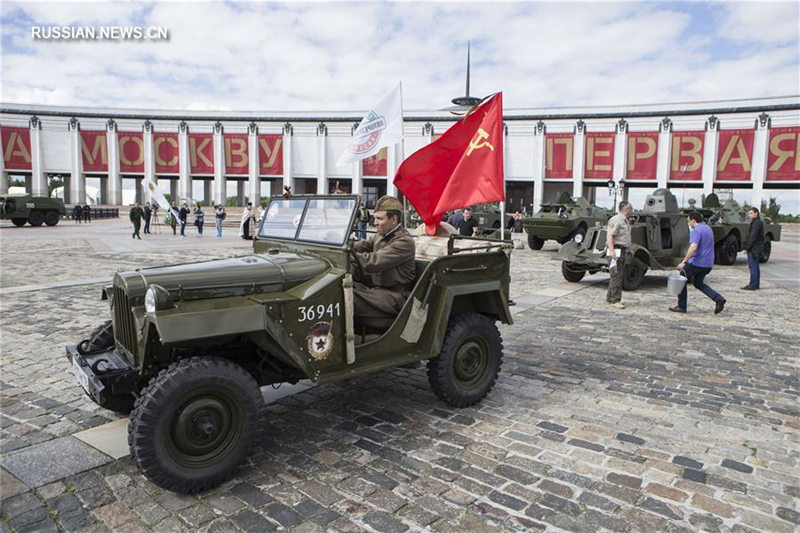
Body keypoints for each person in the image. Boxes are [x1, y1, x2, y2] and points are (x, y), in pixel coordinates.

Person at [351, 195, 416, 321]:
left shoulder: (404, 242)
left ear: (394, 219)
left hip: (395, 296)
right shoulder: (380, 235)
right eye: (375, 218)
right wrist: (341, 246)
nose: (374, 223)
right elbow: (360, 246)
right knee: (341, 288)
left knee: (348, 297)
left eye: (379, 219)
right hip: (379, 291)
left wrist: (349, 255)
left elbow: (373, 262)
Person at [671, 211, 726, 314]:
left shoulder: (696, 231)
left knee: (682, 276)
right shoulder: (708, 228)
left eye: (689, 221)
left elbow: (693, 247)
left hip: (697, 262)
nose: (688, 223)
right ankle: (718, 299)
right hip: (708, 264)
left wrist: (684, 261)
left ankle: (682, 306)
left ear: (693, 220)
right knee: (698, 283)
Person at [605, 200, 633, 309]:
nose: (632, 211)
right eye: (631, 209)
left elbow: (624, 237)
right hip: (616, 250)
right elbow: (610, 236)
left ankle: (610, 298)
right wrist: (612, 251)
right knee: (616, 275)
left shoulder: (625, 221)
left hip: (621, 250)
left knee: (616, 275)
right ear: (626, 209)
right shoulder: (616, 220)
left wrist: (629, 248)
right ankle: (615, 300)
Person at [741, 207, 764, 290]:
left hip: (754, 248)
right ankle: (755, 284)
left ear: (756, 213)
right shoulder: (756, 222)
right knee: (755, 266)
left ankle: (753, 284)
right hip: (755, 247)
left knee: (753, 266)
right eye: (749, 213)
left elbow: (752, 236)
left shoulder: (756, 223)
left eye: (751, 213)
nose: (749, 215)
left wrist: (747, 247)